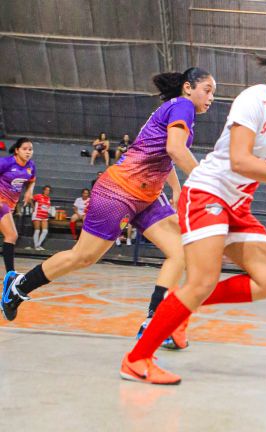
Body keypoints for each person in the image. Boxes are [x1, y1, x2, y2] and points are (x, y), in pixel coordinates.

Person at [120, 47, 266, 385]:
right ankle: (137, 359)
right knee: (201, 281)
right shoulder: (254, 100)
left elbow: (257, 167)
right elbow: (239, 161)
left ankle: (183, 310)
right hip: (208, 193)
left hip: (237, 205)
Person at [1, 67, 215, 340]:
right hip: (119, 192)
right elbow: (175, 149)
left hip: (147, 196)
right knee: (84, 256)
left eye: (213, 93)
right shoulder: (183, 105)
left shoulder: (178, 110)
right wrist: (206, 181)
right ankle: (19, 286)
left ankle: (154, 323)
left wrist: (175, 186)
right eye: (207, 90)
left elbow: (166, 154)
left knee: (179, 252)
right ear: (188, 87)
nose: (210, 98)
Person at [0, 138, 36, 274]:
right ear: (17, 150)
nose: (28, 152)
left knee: (10, 235)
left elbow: (32, 180)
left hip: (11, 205)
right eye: (25, 149)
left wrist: (29, 191)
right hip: (1, 203)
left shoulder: (30, 166)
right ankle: (11, 274)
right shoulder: (6, 162)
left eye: (30, 149)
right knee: (11, 235)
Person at [30, 185, 52, 250]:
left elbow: (47, 207)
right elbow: (31, 199)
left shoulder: (48, 199)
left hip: (44, 216)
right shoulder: (38, 196)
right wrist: (33, 207)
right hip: (37, 215)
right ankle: (36, 246)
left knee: (45, 231)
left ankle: (38, 245)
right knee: (37, 230)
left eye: (48, 190)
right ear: (43, 190)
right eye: (46, 190)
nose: (47, 191)